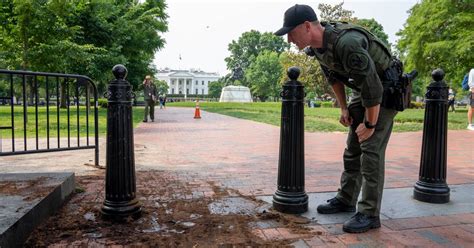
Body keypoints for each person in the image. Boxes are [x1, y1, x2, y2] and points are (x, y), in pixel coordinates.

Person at [275, 4, 407, 233]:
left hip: (385, 91)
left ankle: (369, 213)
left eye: (291, 32)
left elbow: (374, 89)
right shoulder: (316, 46)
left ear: (307, 26)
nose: (289, 40)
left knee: (370, 149)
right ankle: (346, 199)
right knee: (352, 148)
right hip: (362, 89)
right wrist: (344, 108)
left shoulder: (347, 43)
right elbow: (333, 77)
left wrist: (369, 124)